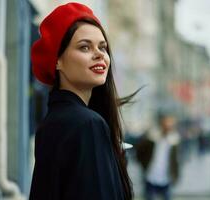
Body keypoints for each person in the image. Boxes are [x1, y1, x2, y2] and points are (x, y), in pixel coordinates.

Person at [29, 2, 136, 200]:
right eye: (85, 47)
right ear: (57, 60)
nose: (99, 54)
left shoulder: (53, 122)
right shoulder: (87, 124)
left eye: (102, 47)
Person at [135, 111, 180, 200]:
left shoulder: (174, 140)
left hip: (166, 179)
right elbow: (139, 152)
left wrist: (176, 175)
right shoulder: (152, 137)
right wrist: (144, 166)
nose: (168, 126)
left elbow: (176, 161)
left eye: (170, 124)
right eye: (166, 124)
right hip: (151, 177)